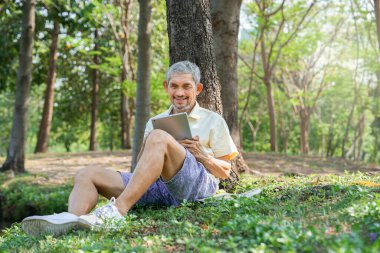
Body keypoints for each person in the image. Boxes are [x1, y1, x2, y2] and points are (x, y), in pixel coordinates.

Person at [21, 60, 238, 236]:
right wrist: (151, 142)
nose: (179, 92)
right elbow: (140, 168)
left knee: (159, 137)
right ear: (166, 87)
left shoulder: (213, 120)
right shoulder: (156, 121)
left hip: (196, 186)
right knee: (86, 174)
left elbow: (225, 171)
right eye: (174, 86)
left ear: (198, 89)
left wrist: (199, 155)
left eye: (186, 86)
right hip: (158, 187)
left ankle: (117, 211)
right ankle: (71, 220)